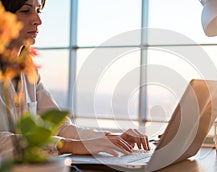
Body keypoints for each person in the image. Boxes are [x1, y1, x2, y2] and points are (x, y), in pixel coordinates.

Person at [0, 0, 150, 157]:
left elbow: (59, 126)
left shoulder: (29, 72)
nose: (38, 20)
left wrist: (110, 138)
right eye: (25, 11)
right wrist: (66, 145)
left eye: (39, 11)